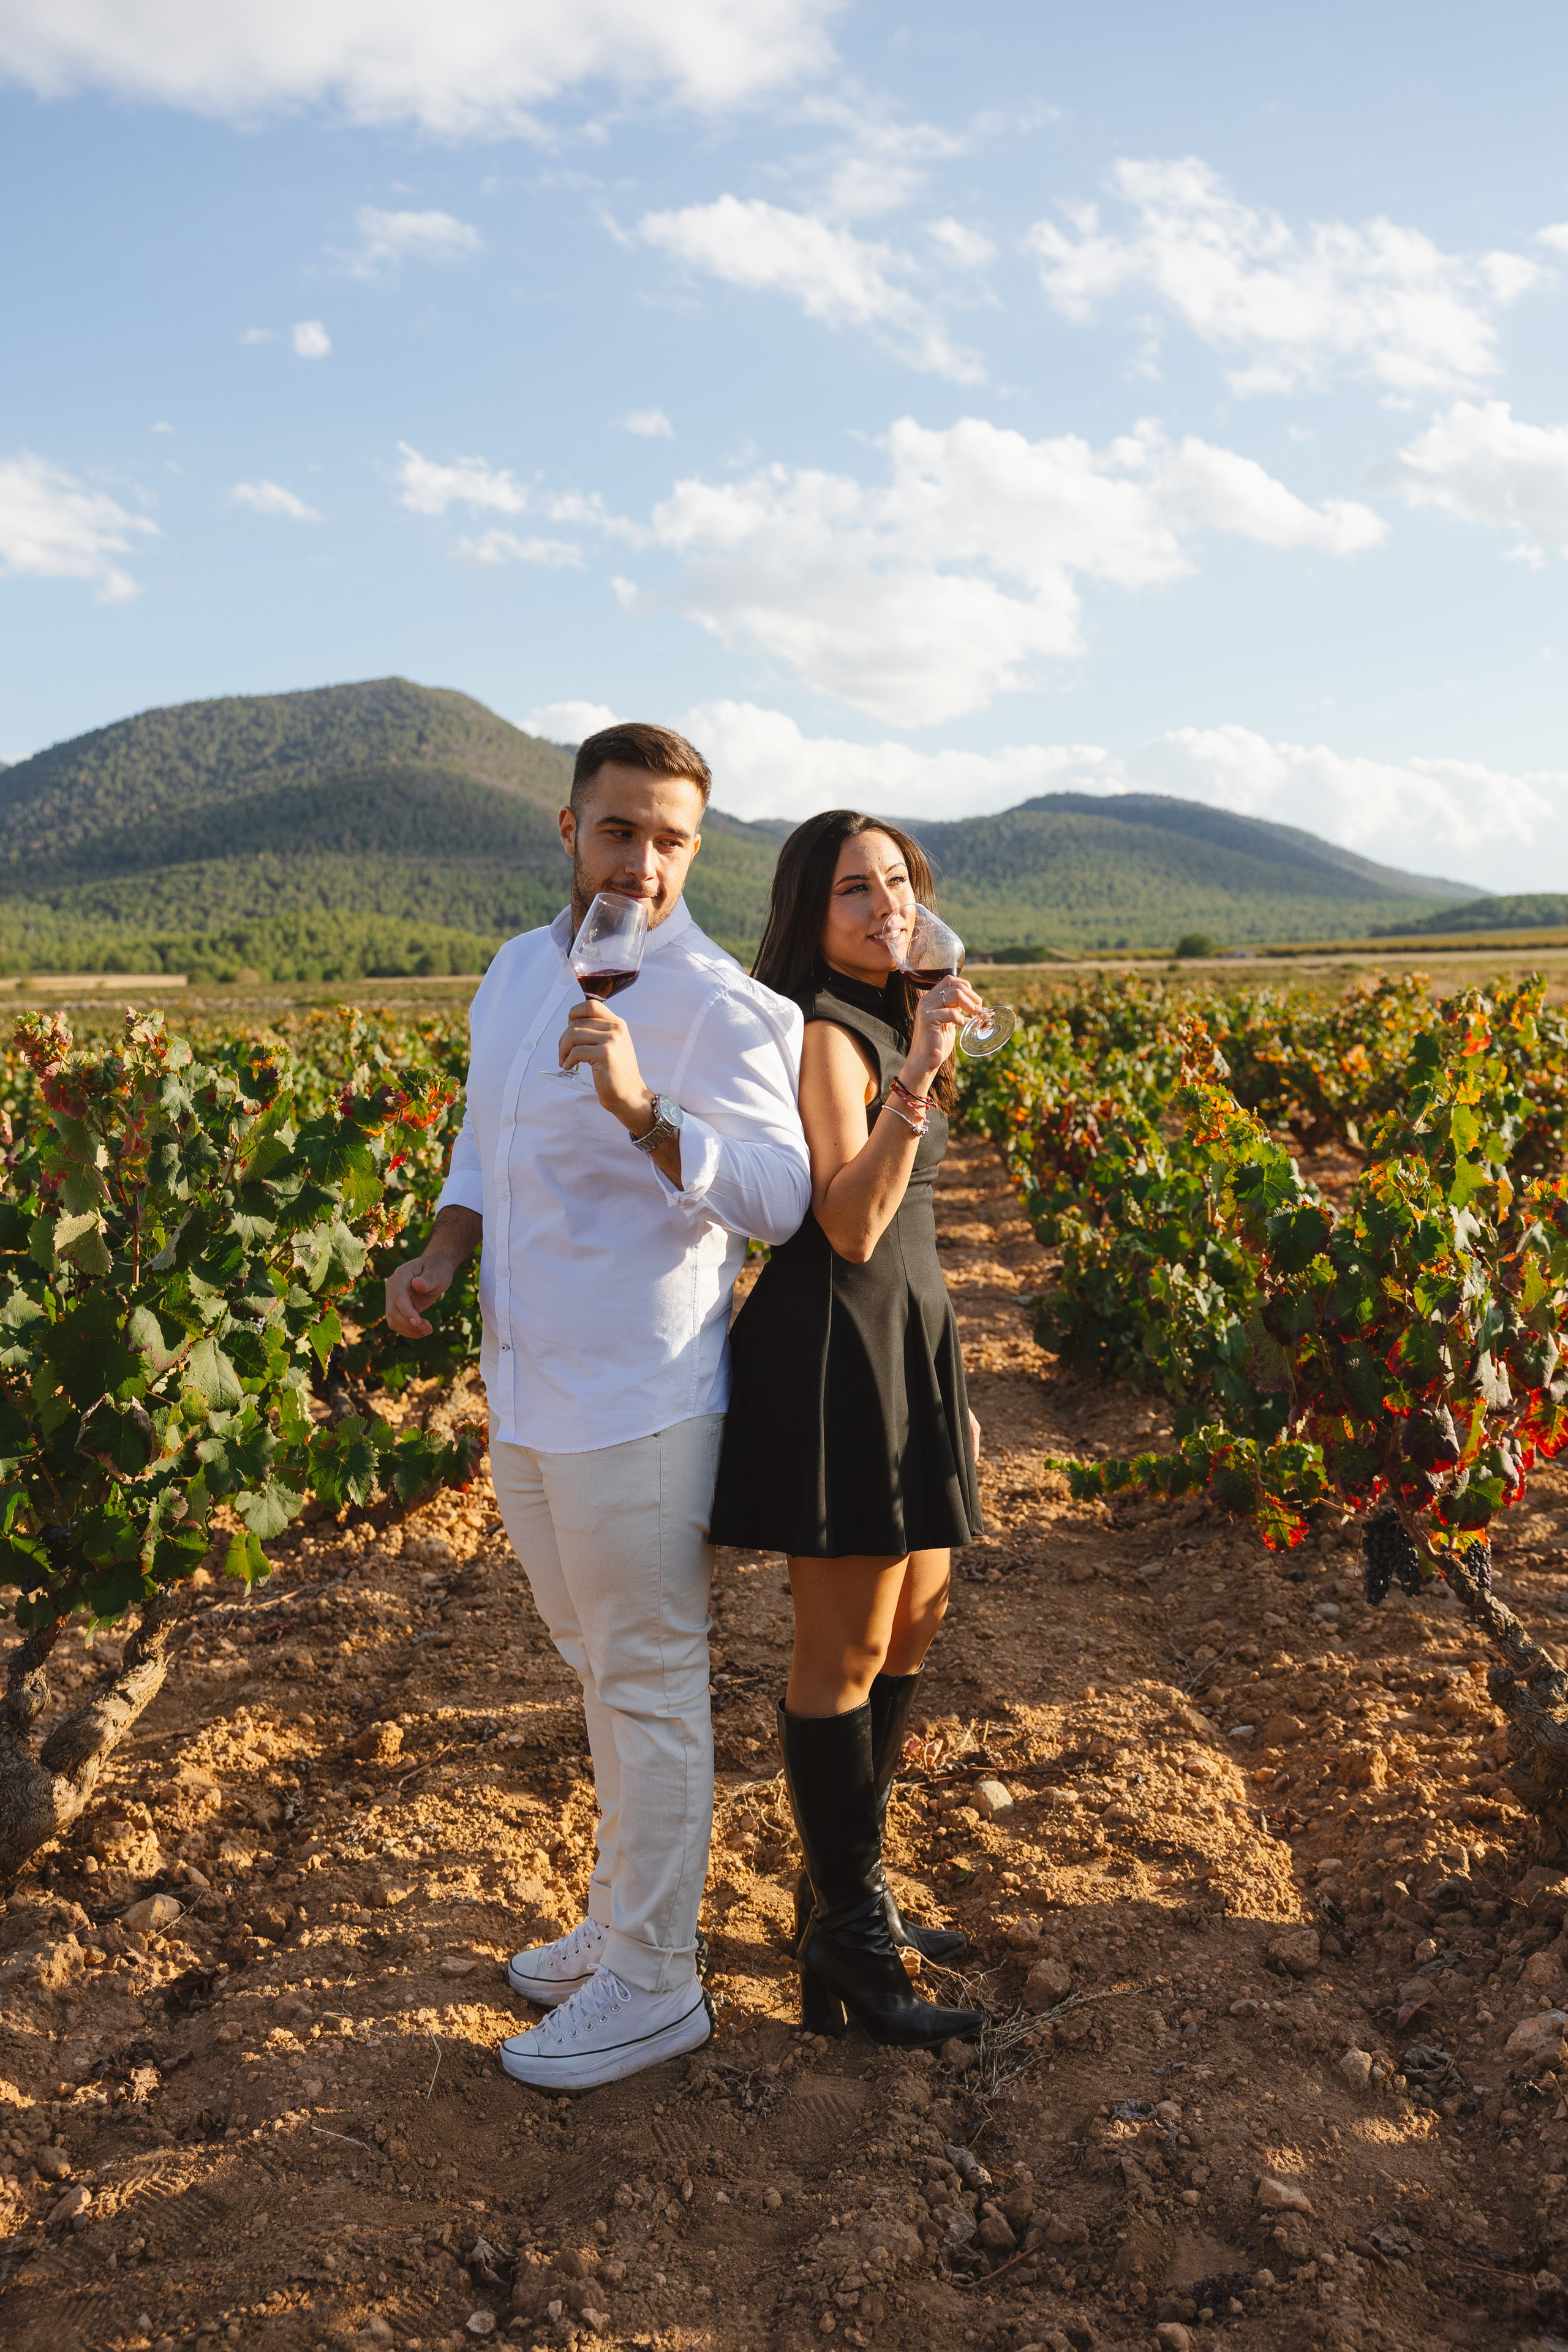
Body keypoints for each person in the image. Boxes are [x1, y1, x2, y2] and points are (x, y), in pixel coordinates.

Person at [385, 723, 810, 2092]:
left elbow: (779, 1199)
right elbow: (481, 1135)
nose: (642, 859)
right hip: (524, 1385)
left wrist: (644, 1112)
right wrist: (445, 1250)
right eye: (618, 829)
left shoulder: (726, 1007)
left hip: (641, 1394)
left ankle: (652, 1983)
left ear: (696, 850)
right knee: (595, 1669)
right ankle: (619, 1924)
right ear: (567, 830)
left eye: (670, 838)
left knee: (646, 1682)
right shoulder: (516, 971)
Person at [709, 810, 987, 2050]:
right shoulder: (829, 1032)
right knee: (844, 1648)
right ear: (807, 918)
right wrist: (918, 1072)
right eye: (849, 894)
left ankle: (841, 1896)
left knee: (920, 1609)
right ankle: (849, 1941)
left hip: (905, 1337)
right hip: (838, 1345)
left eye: (895, 883)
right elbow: (853, 1225)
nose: (881, 907)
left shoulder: (894, 1007)